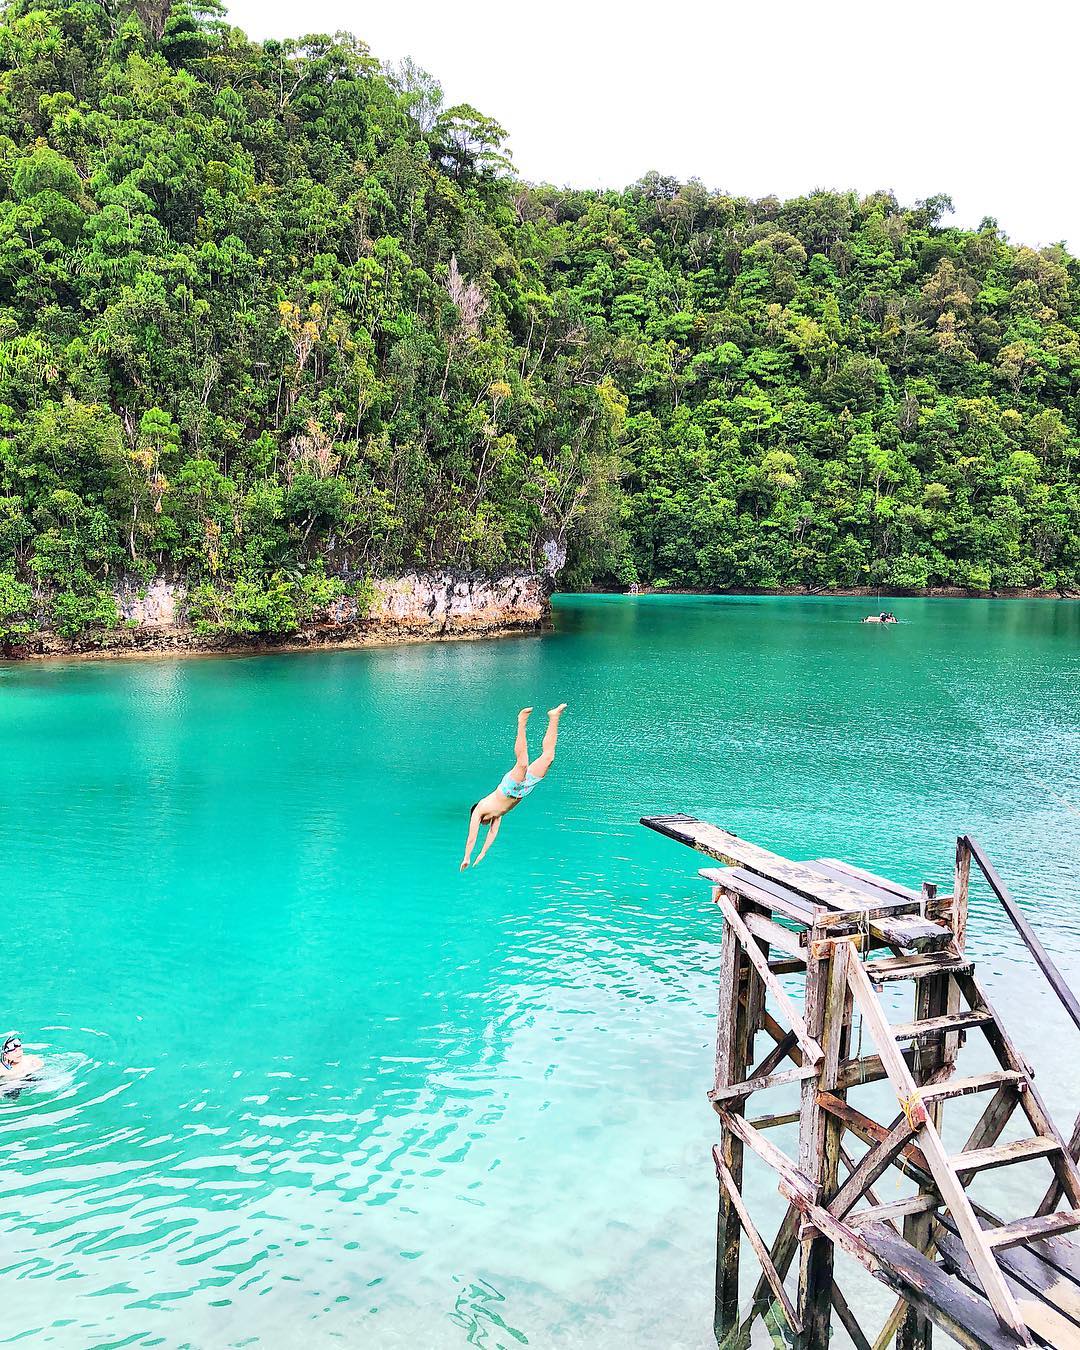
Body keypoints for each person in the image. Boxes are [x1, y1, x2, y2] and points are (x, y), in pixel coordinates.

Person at [461, 704, 567, 870]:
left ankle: (521, 721)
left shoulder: (479, 810)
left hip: (508, 788)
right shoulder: (496, 815)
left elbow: (471, 837)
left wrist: (467, 856)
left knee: (523, 763)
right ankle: (554, 717)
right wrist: (482, 854)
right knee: (548, 758)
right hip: (524, 789)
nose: (484, 825)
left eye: (483, 823)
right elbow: (492, 834)